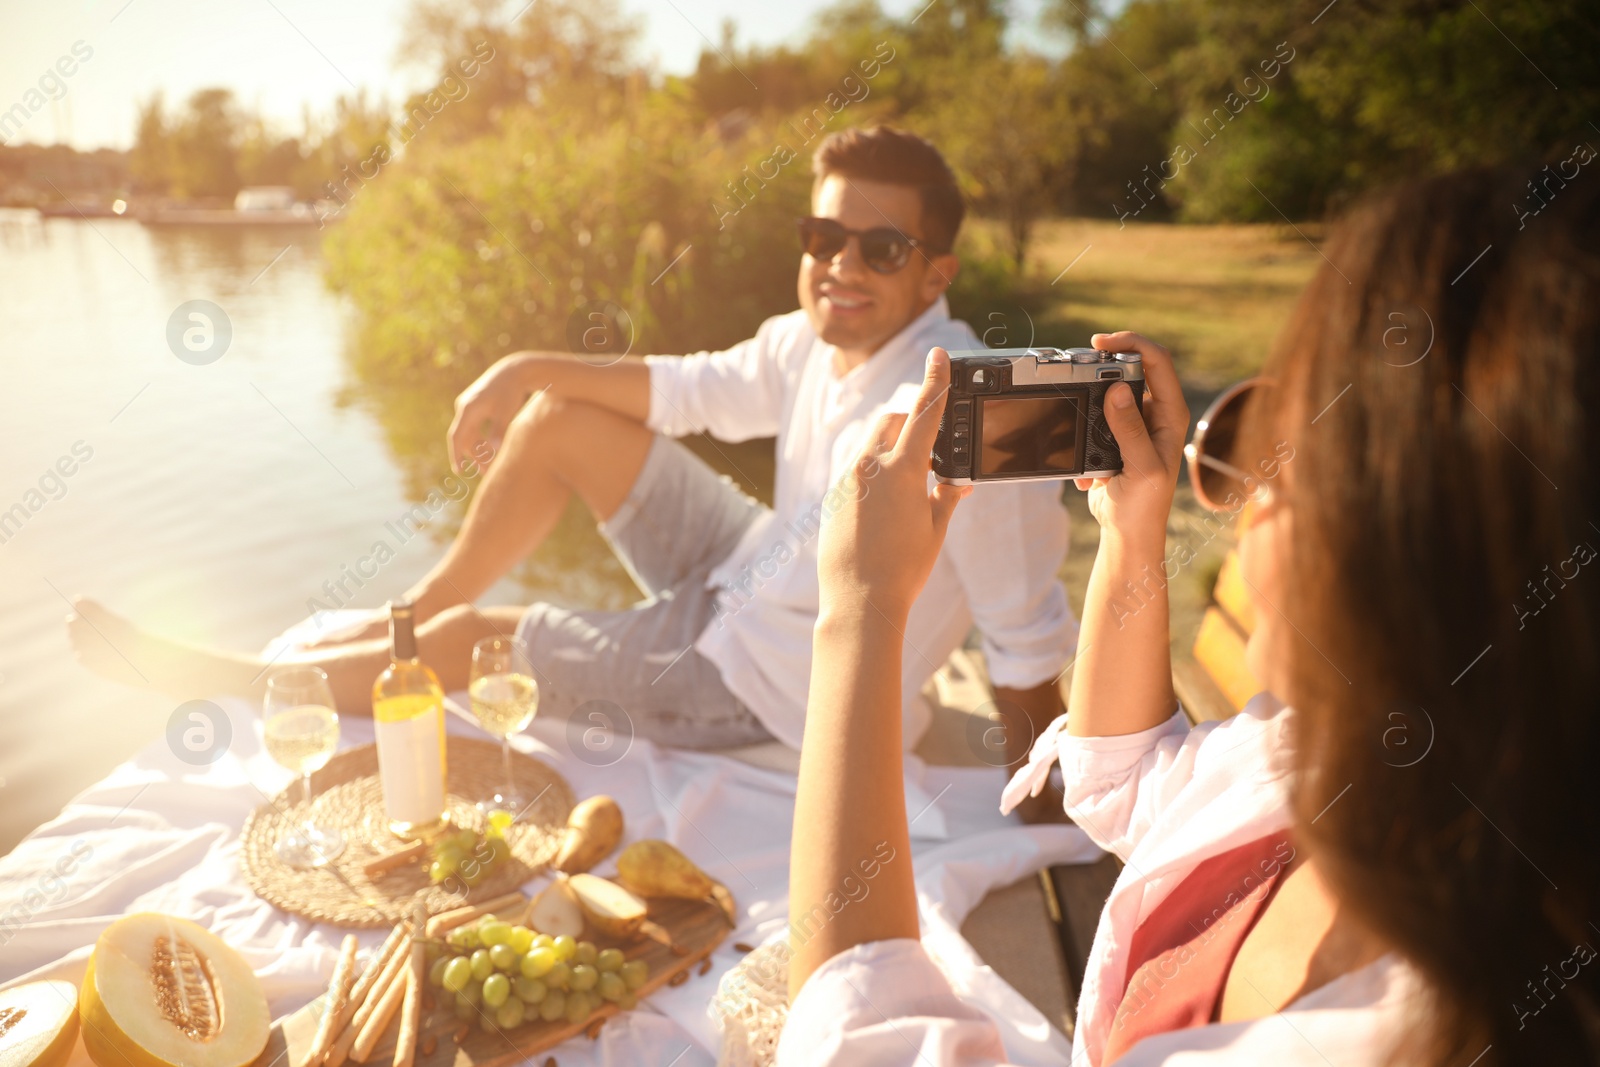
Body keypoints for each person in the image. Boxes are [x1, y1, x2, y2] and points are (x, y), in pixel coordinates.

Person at [779, 167, 1600, 1065]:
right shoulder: (1342, 756)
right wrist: (1132, 533)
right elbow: (1134, 777)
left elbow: (864, 1043)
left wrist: (857, 614)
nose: (1252, 490)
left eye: (1299, 443)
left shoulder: (1396, 1035)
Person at [68, 126, 1077, 769]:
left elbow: (1025, 628)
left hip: (765, 681)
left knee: (482, 652)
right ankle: (420, 610)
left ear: (936, 272)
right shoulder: (809, 337)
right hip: (746, 568)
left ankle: (227, 676)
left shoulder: (972, 409)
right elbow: (687, 389)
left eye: (880, 248)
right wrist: (520, 367)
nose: (838, 266)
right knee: (556, 419)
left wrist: (1049, 809)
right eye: (822, 237)